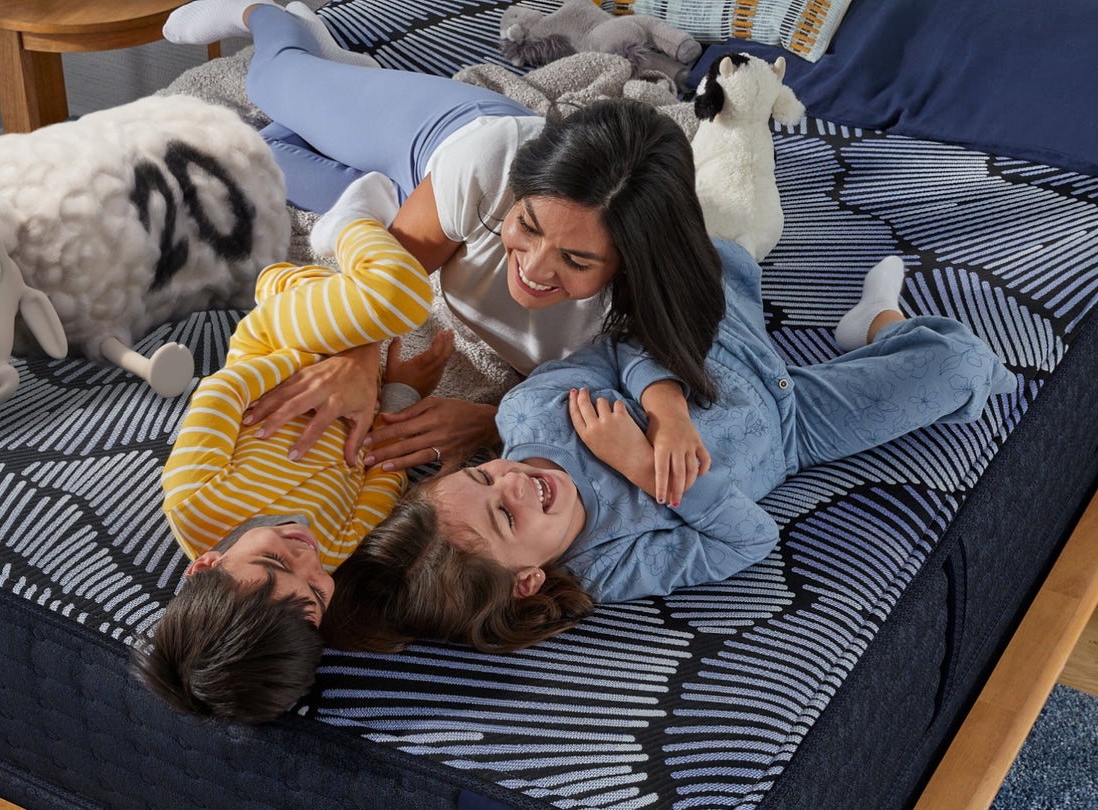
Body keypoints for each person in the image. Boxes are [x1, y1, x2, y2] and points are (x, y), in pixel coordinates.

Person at [320, 246, 1018, 653]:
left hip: (711, 354)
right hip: (796, 429)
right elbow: (747, 540)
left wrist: (666, 407)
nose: (513, 479)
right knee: (960, 370)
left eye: (485, 474)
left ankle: (833, 307)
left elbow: (626, 343)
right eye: (505, 516)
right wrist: (643, 468)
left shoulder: (531, 409)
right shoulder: (608, 566)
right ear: (527, 580)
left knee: (709, 254)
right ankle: (879, 322)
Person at [164, 0, 723, 507]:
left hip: (430, 198)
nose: (532, 268)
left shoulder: (644, 303)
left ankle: (359, 119)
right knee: (271, 79)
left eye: (577, 262)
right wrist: (357, 361)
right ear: (518, 193)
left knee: (257, 154)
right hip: (438, 137)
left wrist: (489, 423)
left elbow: (652, 368)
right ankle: (275, 17)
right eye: (525, 226)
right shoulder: (490, 164)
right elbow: (380, 280)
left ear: (630, 266)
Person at [136, 176, 453, 722]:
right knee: (393, 307)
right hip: (361, 384)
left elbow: (222, 391)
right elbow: (381, 470)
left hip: (278, 342)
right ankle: (318, 283)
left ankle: (346, 223)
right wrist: (394, 392)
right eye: (315, 592)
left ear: (205, 565)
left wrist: (322, 365)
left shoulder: (194, 502)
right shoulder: (333, 548)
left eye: (273, 559)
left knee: (400, 295)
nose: (306, 555)